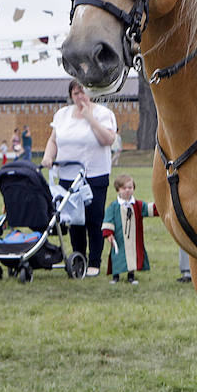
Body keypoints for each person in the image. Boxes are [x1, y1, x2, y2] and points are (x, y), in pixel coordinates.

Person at [42, 80, 118, 277]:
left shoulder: (103, 113)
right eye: (76, 93)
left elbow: (108, 140)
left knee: (94, 219)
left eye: (83, 92)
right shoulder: (62, 115)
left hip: (94, 175)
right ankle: (78, 258)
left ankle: (94, 261)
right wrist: (48, 156)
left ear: (90, 93)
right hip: (68, 176)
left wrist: (90, 118)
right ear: (71, 95)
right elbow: (54, 139)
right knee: (74, 221)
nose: (80, 96)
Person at [102, 173, 157, 285]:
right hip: (119, 237)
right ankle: (115, 276)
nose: (127, 190)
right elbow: (108, 219)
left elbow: (150, 209)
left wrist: (162, 205)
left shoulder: (137, 205)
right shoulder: (114, 206)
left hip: (133, 237)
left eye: (130, 188)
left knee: (132, 255)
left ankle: (131, 276)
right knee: (117, 256)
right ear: (118, 190)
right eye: (124, 188)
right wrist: (109, 234)